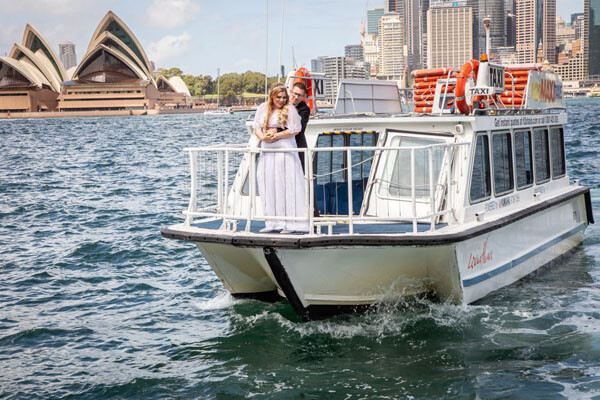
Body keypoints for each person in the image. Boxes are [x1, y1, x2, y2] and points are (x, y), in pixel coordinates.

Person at [253, 85, 309, 233]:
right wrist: (263, 137)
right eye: (279, 97)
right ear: (272, 96)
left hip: (285, 151)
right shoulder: (263, 108)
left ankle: (291, 224)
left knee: (287, 185)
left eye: (284, 97)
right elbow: (256, 128)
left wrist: (277, 135)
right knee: (269, 185)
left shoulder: (290, 109)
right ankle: (272, 223)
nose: (281, 100)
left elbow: (295, 130)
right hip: (268, 151)